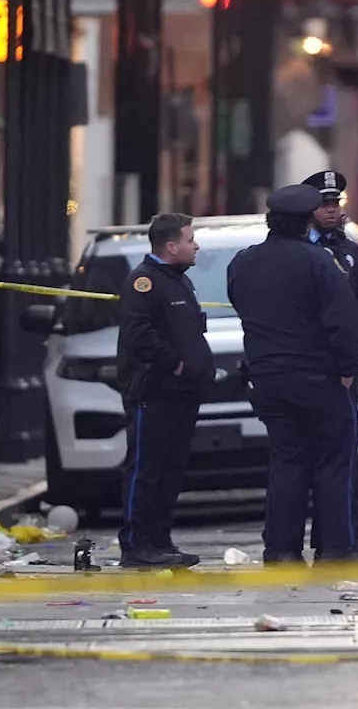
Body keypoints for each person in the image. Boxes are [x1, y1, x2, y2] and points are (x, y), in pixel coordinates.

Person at [227, 184, 358, 564]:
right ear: (307, 223)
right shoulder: (319, 262)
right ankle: (336, 548)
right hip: (318, 378)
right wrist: (349, 370)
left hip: (268, 378)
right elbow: (344, 322)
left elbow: (242, 306)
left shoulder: (243, 262)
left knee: (287, 463)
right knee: (333, 464)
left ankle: (281, 550)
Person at [115, 213, 215, 568]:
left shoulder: (177, 281)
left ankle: (160, 541)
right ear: (171, 246)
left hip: (183, 392)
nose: (196, 246)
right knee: (146, 467)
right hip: (155, 392)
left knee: (171, 469)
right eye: (190, 240)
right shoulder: (144, 282)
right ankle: (136, 544)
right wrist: (174, 363)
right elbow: (139, 336)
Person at [301, 170, 358, 562]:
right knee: (309, 464)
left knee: (345, 462)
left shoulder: (352, 255)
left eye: (335, 204)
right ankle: (326, 542)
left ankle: (351, 539)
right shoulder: (297, 250)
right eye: (323, 204)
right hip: (307, 371)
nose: (331, 211)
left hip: (346, 374)